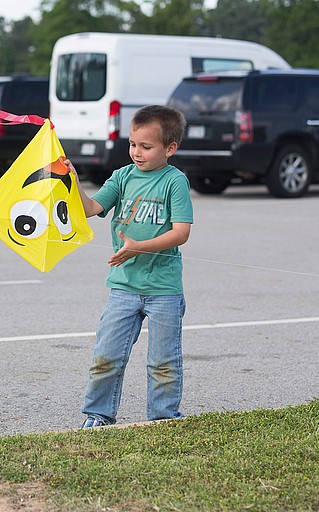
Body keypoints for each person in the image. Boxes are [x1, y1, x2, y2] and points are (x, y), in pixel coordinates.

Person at [65, 105, 193, 428]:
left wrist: (138, 247)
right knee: (106, 355)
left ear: (170, 149)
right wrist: (73, 182)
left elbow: (181, 233)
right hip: (123, 286)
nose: (137, 152)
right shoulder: (122, 177)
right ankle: (98, 415)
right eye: (133, 144)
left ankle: (164, 417)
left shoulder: (174, 182)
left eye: (146, 147)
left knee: (163, 361)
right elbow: (92, 207)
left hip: (163, 289)